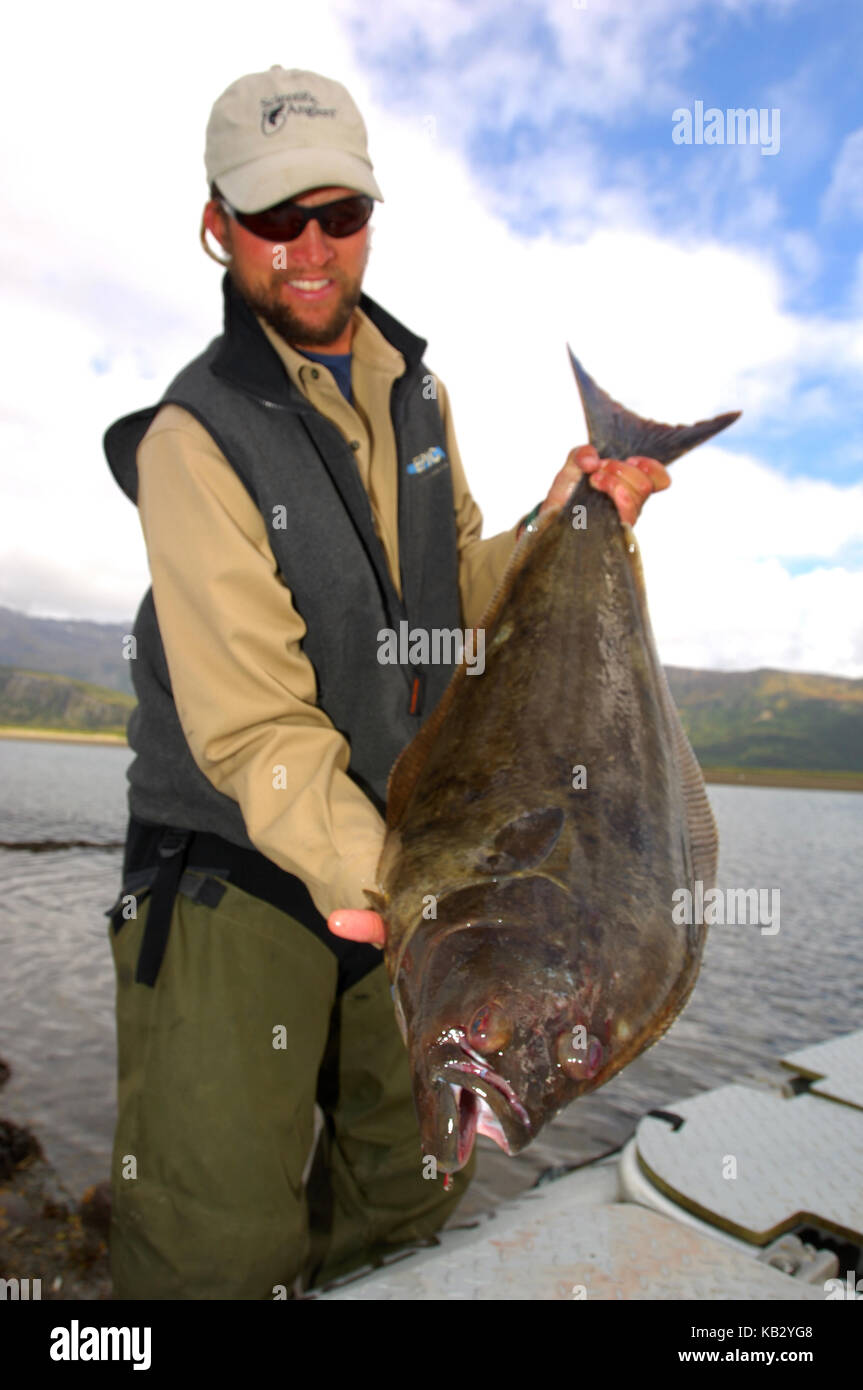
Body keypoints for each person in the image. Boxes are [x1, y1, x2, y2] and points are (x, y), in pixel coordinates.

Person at [103, 65, 670, 1301]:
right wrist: (428, 901)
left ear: (369, 215)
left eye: (337, 214)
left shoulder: (418, 394)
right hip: (233, 872)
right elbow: (255, 727)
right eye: (271, 219)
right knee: (213, 1248)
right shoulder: (189, 441)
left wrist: (561, 521)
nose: (308, 250)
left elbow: (454, 587)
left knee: (409, 1185)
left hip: (405, 864)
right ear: (218, 226)